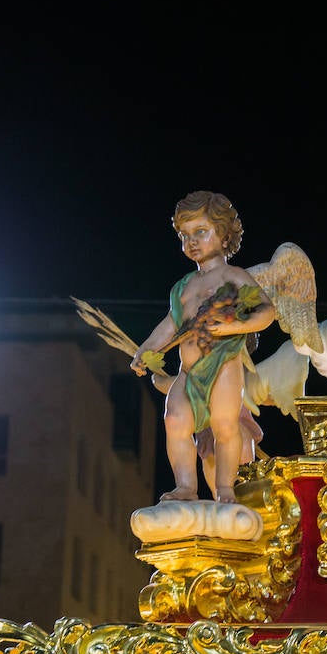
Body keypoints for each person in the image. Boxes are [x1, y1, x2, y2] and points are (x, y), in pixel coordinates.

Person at [131, 191, 277, 503]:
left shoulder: (235, 276)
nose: (192, 242)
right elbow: (171, 324)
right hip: (189, 369)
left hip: (223, 363)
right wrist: (145, 350)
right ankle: (186, 486)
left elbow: (266, 312)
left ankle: (225, 490)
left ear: (224, 236)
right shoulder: (183, 286)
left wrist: (232, 327)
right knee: (174, 419)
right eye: (185, 236)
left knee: (225, 425)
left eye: (201, 232)